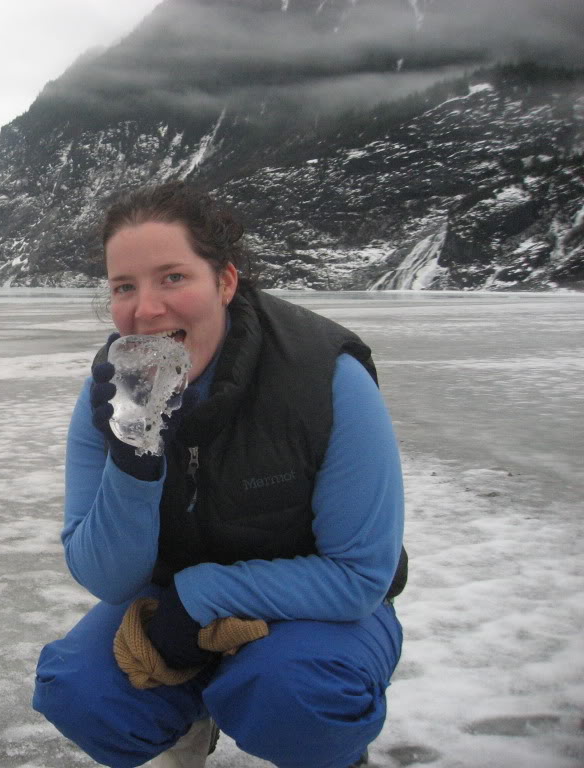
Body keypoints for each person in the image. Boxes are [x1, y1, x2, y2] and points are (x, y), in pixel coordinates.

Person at [32, 182, 406, 768]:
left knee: (299, 695)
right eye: (124, 287)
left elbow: (360, 576)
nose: (146, 309)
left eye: (172, 277)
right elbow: (106, 577)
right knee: (82, 691)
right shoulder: (112, 395)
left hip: (319, 607)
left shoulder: (325, 380)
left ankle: (329, 753)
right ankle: (188, 722)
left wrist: (201, 596)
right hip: (168, 595)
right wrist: (134, 460)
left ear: (225, 282)